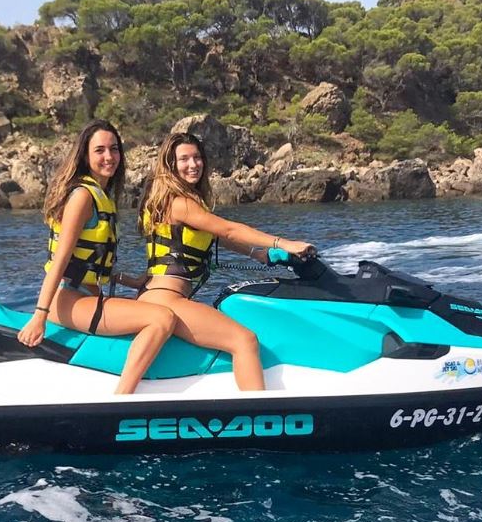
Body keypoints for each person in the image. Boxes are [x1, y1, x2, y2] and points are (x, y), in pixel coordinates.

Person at [137, 132, 316, 391]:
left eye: (197, 157)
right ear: (170, 165)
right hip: (168, 300)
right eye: (184, 159)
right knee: (244, 340)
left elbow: (216, 236)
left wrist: (259, 254)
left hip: (158, 296)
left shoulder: (165, 201)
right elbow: (229, 230)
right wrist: (283, 243)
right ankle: (258, 411)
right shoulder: (180, 203)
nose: (193, 164)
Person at [18, 120, 176, 395]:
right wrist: (39, 316)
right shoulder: (82, 197)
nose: (109, 157)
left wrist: (131, 281)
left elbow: (89, 262)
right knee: (162, 318)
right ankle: (121, 400)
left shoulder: (102, 196)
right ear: (85, 156)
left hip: (85, 296)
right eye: (100, 150)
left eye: (114, 149)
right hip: (67, 299)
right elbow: (61, 261)